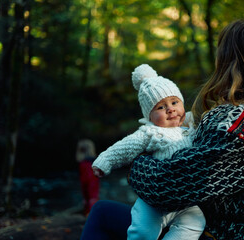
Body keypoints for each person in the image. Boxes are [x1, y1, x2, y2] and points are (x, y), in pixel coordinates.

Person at [81, 18, 244, 240]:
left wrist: (137, 164)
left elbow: (170, 186)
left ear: (225, 60)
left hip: (227, 234)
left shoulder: (238, 123)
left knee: (102, 213)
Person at [88, 64, 206, 240]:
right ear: (149, 116)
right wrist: (104, 162)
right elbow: (125, 147)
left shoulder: (193, 124)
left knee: (195, 222)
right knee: (142, 230)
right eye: (161, 107)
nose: (170, 109)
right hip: (154, 201)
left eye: (174, 102)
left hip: (186, 202)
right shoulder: (150, 132)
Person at [76, 139, 100, 216]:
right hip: (92, 186)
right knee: (92, 200)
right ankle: (91, 214)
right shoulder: (93, 163)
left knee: (89, 201)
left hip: (88, 186)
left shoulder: (83, 164)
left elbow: (85, 181)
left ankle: (89, 214)